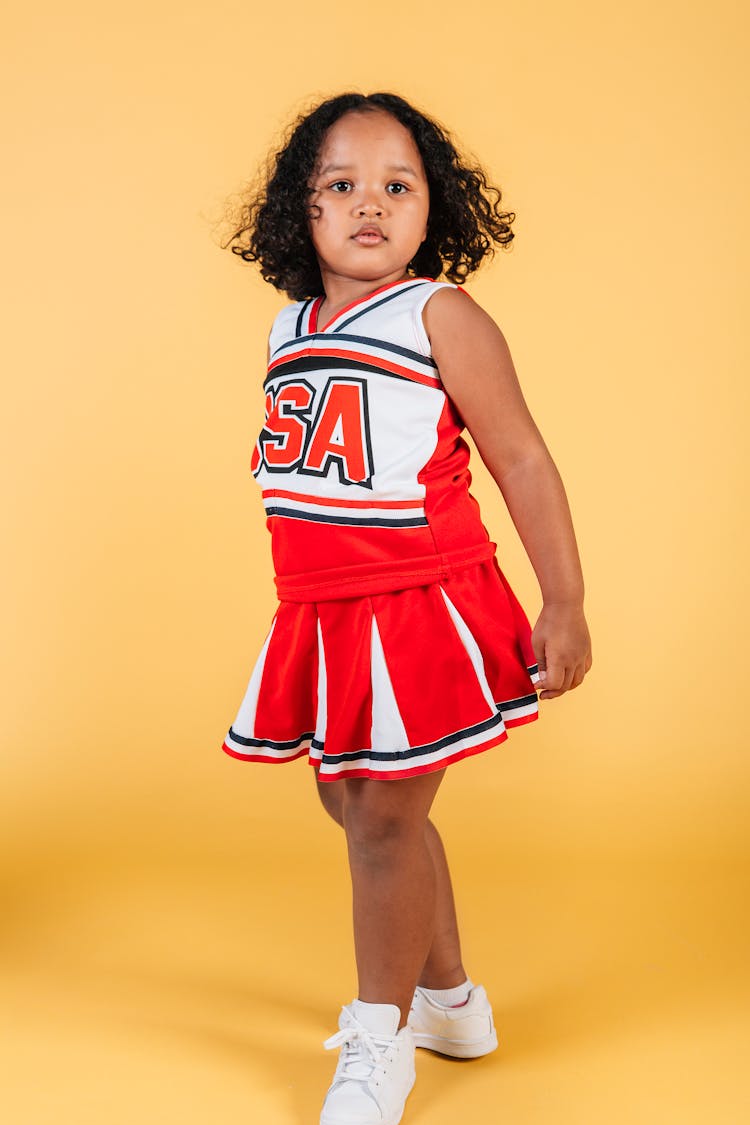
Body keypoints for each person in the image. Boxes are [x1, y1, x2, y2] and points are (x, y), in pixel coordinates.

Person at [220, 91, 592, 1125]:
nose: (368, 204)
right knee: (356, 802)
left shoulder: (441, 314)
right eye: (340, 185)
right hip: (323, 607)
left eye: (397, 184)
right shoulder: (287, 325)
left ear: (437, 208)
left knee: (384, 813)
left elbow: (519, 455)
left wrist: (564, 601)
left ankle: (380, 1045)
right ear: (302, 210)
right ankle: (450, 1000)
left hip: (420, 600)